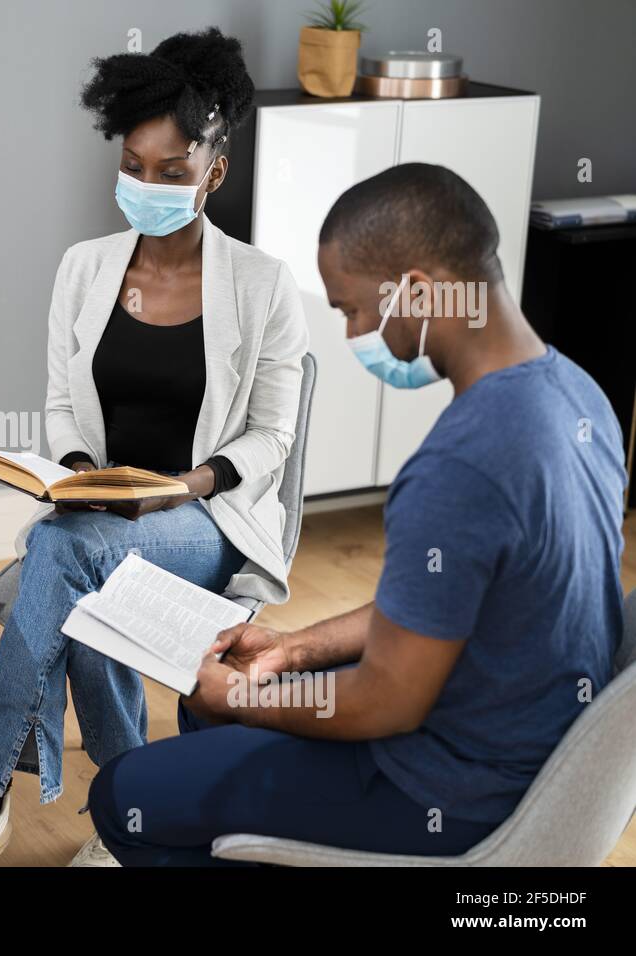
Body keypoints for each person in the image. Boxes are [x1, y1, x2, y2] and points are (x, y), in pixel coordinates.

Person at [88, 163, 627, 865]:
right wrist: (292, 651)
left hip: (453, 788)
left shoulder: (460, 465)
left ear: (423, 292)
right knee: (208, 704)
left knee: (124, 796)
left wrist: (246, 698)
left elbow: (385, 703)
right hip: (530, 739)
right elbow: (459, 601)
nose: (352, 333)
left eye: (352, 309)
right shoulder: (580, 395)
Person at [0, 29, 308, 867]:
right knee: (77, 550)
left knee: (63, 551)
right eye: (134, 165)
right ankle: (133, 808)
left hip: (207, 520)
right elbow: (64, 407)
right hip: (102, 511)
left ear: (212, 173)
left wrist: (188, 484)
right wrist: (81, 476)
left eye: (171, 170)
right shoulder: (84, 268)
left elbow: (273, 436)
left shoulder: (262, 286)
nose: (147, 183)